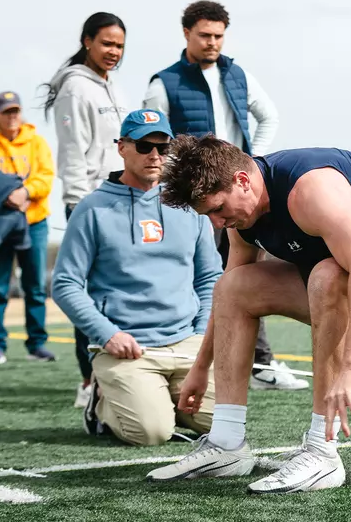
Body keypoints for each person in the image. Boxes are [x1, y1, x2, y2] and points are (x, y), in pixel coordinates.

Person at [145, 139, 351, 493]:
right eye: (210, 216)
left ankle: (322, 452)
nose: (219, 223)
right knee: (234, 287)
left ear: (242, 180)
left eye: (219, 209)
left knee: (329, 274)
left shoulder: (309, 191)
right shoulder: (242, 217)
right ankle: (226, 442)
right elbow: (226, 298)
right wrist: (200, 368)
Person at [143, 0, 303, 392]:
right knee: (200, 276)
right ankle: (187, 360)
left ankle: (260, 365)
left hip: (235, 196)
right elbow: (157, 144)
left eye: (218, 36)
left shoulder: (238, 74)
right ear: (186, 34)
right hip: (193, 203)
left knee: (246, 273)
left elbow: (270, 116)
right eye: (205, 35)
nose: (212, 42)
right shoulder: (163, 83)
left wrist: (254, 160)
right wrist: (181, 184)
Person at [51, 110, 222, 445]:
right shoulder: (92, 210)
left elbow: (209, 277)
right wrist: (108, 334)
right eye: (144, 146)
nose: (155, 156)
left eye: (163, 147)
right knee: (151, 432)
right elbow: (65, 283)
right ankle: (101, 403)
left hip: (186, 341)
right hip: (127, 346)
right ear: (122, 148)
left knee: (223, 423)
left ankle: (158, 400)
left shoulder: (189, 206)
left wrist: (202, 333)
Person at [42, 12, 131, 406]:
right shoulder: (76, 89)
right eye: (107, 43)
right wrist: (79, 204)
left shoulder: (111, 87)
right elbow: (73, 152)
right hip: (87, 203)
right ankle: (88, 381)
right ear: (88, 41)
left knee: (116, 289)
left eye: (120, 46)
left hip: (118, 199)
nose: (114, 52)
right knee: (87, 293)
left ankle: (115, 375)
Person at [0, 91, 57, 364]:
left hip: (34, 223)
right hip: (0, 225)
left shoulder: (37, 143)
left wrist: (25, 192)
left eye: (15, 110)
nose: (12, 116)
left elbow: (46, 177)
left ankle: (37, 344)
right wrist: (7, 196)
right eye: (6, 111)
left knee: (35, 286)